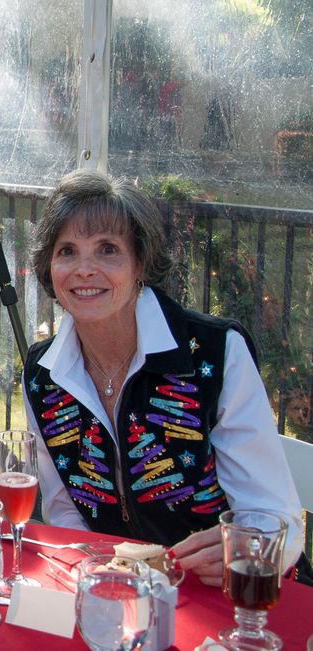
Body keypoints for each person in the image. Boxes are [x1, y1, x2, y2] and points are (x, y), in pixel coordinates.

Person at [22, 168, 303, 586]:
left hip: (236, 593)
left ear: (141, 263)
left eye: (107, 249)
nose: (84, 269)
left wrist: (244, 546)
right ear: (49, 266)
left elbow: (273, 516)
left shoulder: (214, 351)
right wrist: (93, 580)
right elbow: (66, 511)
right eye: (67, 251)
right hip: (120, 592)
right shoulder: (43, 375)